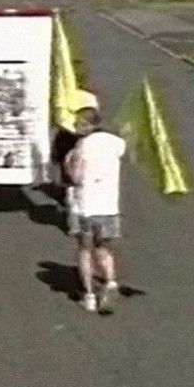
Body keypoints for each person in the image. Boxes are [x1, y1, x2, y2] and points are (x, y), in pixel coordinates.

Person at [63, 103, 126, 315]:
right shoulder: (116, 143)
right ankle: (110, 282)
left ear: (86, 125)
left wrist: (68, 161)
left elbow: (76, 177)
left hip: (84, 206)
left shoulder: (82, 146)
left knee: (84, 250)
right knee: (103, 248)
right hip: (108, 205)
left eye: (78, 124)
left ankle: (89, 295)